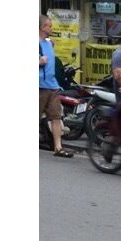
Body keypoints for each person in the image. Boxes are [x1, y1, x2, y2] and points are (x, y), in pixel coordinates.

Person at [39, 15, 73, 157]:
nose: (52, 28)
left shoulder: (48, 43)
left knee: (56, 117)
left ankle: (58, 147)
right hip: (39, 86)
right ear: (42, 27)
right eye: (49, 26)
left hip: (52, 86)